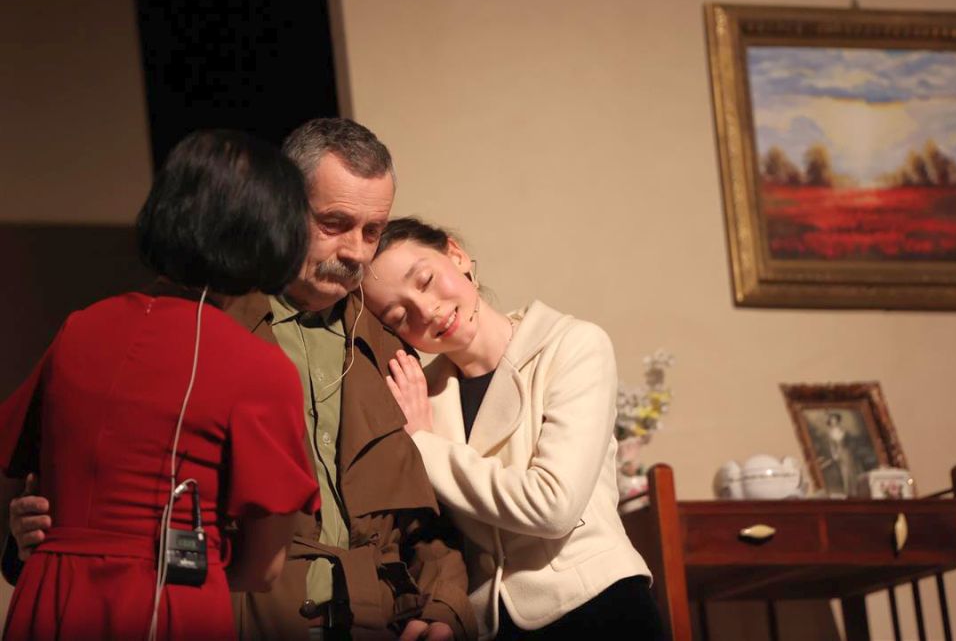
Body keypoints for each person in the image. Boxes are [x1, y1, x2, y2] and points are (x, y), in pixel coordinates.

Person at [6, 120, 476, 641]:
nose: (357, 252)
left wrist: (445, 606)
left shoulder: (393, 347)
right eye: (334, 224)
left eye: (372, 231)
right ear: (283, 210)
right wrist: (29, 532)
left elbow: (428, 520)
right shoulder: (202, 331)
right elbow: (81, 479)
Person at [0, 130, 321, 640]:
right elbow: (263, 570)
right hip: (165, 604)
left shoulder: (79, 329)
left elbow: (27, 483)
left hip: (52, 597)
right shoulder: (261, 369)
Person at [361, 218, 663, 640]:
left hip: (599, 609)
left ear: (456, 255)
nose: (427, 310)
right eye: (399, 315)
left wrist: (424, 446)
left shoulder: (573, 345)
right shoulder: (419, 399)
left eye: (426, 280)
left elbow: (553, 505)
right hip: (490, 627)